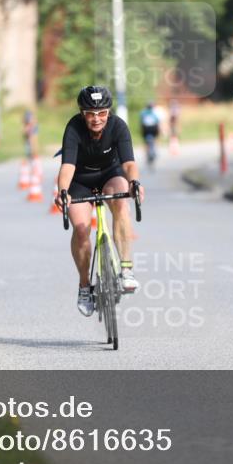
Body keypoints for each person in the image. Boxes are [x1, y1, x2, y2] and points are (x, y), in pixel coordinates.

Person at [55, 86, 145, 316]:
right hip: (80, 180)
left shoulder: (118, 126)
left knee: (121, 201)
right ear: (82, 113)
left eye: (102, 113)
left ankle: (126, 270)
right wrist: (63, 190)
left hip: (110, 174)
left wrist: (135, 182)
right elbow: (67, 167)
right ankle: (85, 286)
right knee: (82, 229)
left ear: (109, 112)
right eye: (90, 114)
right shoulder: (74, 127)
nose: (96, 119)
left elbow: (129, 164)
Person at [138, 102, 161, 169]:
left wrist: (140, 130)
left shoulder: (143, 113)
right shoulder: (154, 113)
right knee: (156, 138)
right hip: (153, 129)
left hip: (146, 129)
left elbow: (141, 122)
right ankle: (155, 150)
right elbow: (157, 122)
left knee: (145, 142)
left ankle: (146, 154)